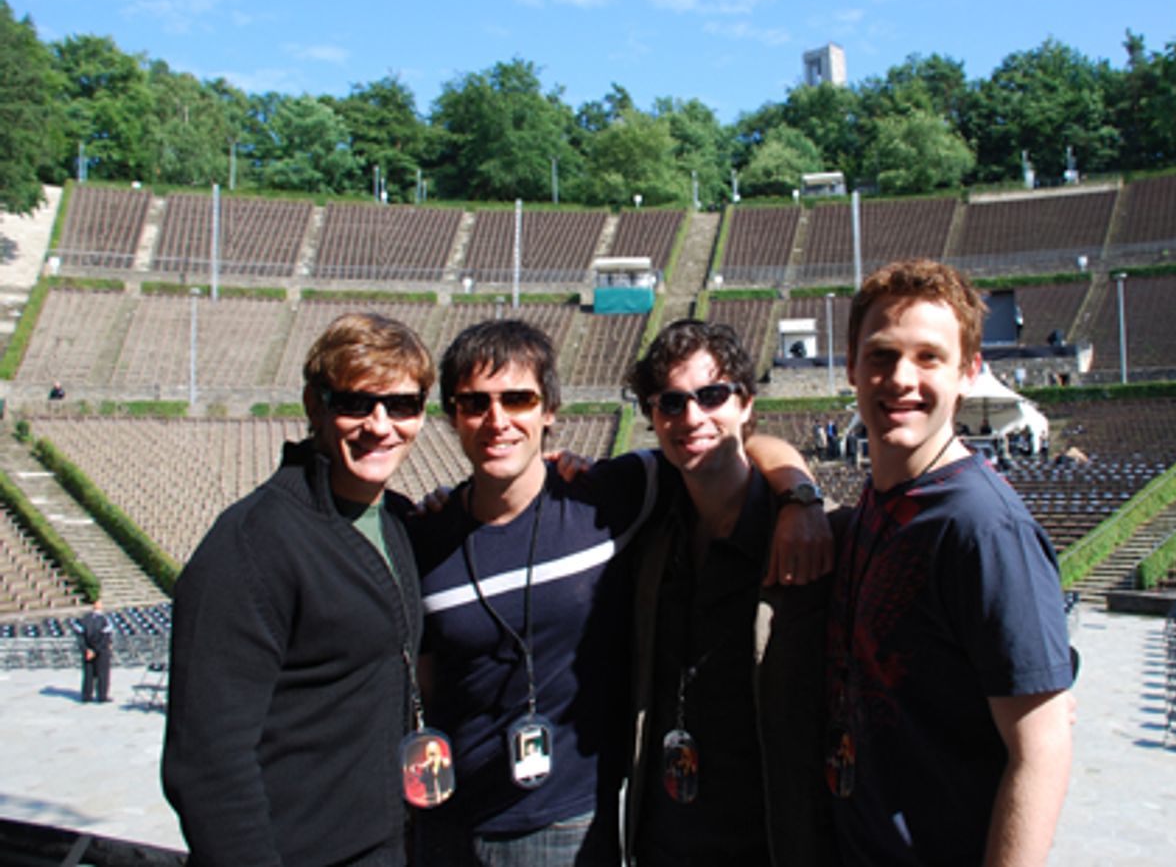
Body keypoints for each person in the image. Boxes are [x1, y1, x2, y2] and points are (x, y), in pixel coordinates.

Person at [409, 319, 829, 867]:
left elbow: (746, 449)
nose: (497, 420)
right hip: (464, 827)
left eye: (518, 398)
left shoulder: (608, 499)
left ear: (549, 409)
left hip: (580, 826)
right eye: (474, 403)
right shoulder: (423, 536)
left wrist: (801, 497)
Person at [163, 313, 434, 867]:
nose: (381, 425)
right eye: (357, 403)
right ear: (315, 405)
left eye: (402, 405)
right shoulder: (250, 544)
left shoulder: (401, 522)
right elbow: (208, 763)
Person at [828, 260, 1074, 867]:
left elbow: (1041, 749)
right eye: (881, 356)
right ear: (852, 367)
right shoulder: (879, 500)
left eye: (928, 358)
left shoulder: (984, 528)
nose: (899, 379)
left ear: (968, 372)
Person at [625, 320, 833, 867]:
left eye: (711, 395)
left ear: (745, 404)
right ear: (652, 417)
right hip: (665, 843)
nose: (691, 417)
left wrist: (800, 497)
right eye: (670, 402)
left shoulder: (814, 537)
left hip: (771, 842)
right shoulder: (648, 525)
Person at [77, 597, 113, 703]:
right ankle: (102, 696)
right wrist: (95, 650)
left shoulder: (83, 619)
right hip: (101, 651)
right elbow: (105, 638)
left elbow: (80, 637)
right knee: (102, 674)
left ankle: (86, 696)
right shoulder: (105, 620)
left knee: (88, 674)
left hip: (88, 651)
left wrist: (86, 650)